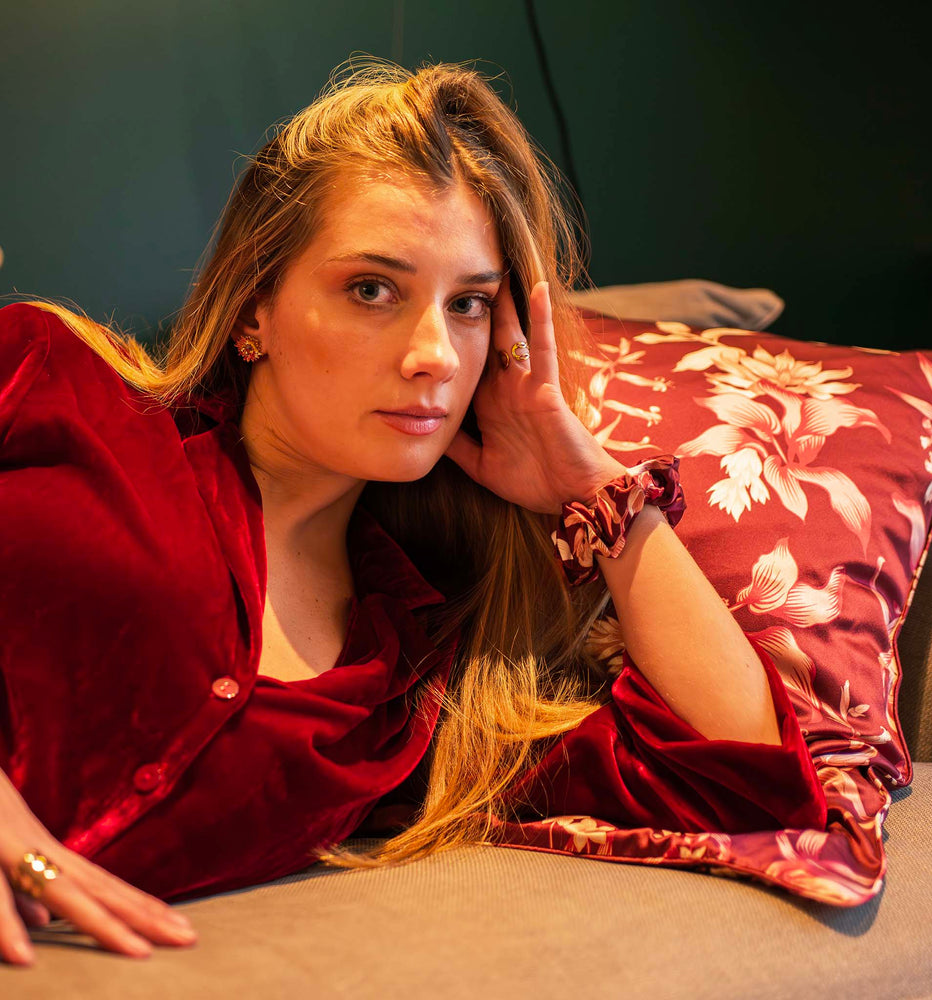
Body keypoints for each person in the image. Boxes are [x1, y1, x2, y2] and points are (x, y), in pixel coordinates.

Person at [0, 57, 826, 967]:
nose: (435, 353)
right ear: (254, 309)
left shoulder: (432, 681)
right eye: (372, 290)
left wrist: (597, 492)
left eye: (468, 304)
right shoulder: (56, 380)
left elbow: (749, 782)